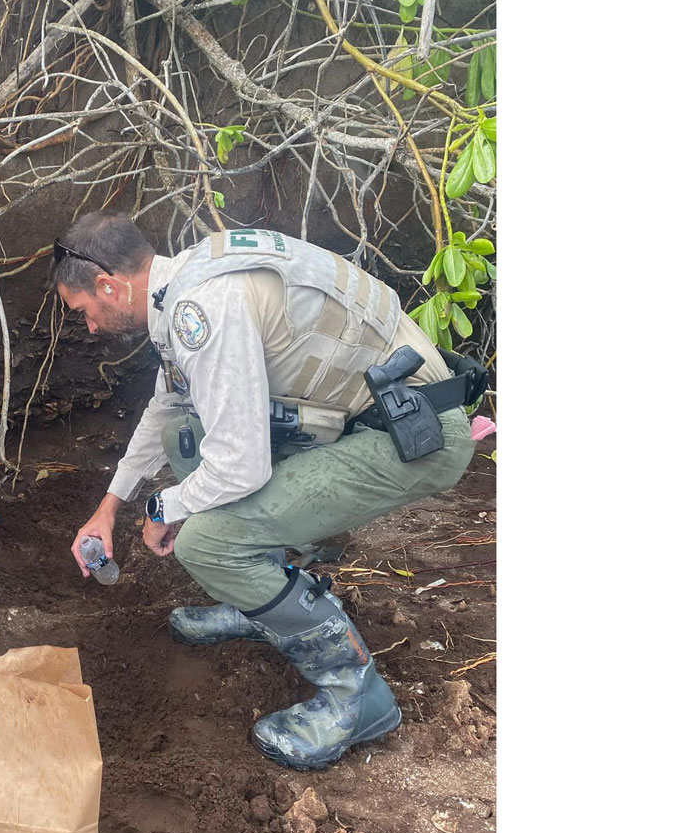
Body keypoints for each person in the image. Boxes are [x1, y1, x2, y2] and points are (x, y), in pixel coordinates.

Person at [52, 212, 484, 770]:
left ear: (109, 286)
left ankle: (357, 696)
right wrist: (108, 507)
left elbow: (240, 466)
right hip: (371, 416)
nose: (87, 327)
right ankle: (261, 597)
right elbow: (169, 402)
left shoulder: (201, 308)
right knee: (182, 436)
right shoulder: (187, 284)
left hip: (414, 435)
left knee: (206, 543)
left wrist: (165, 507)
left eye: (83, 311)